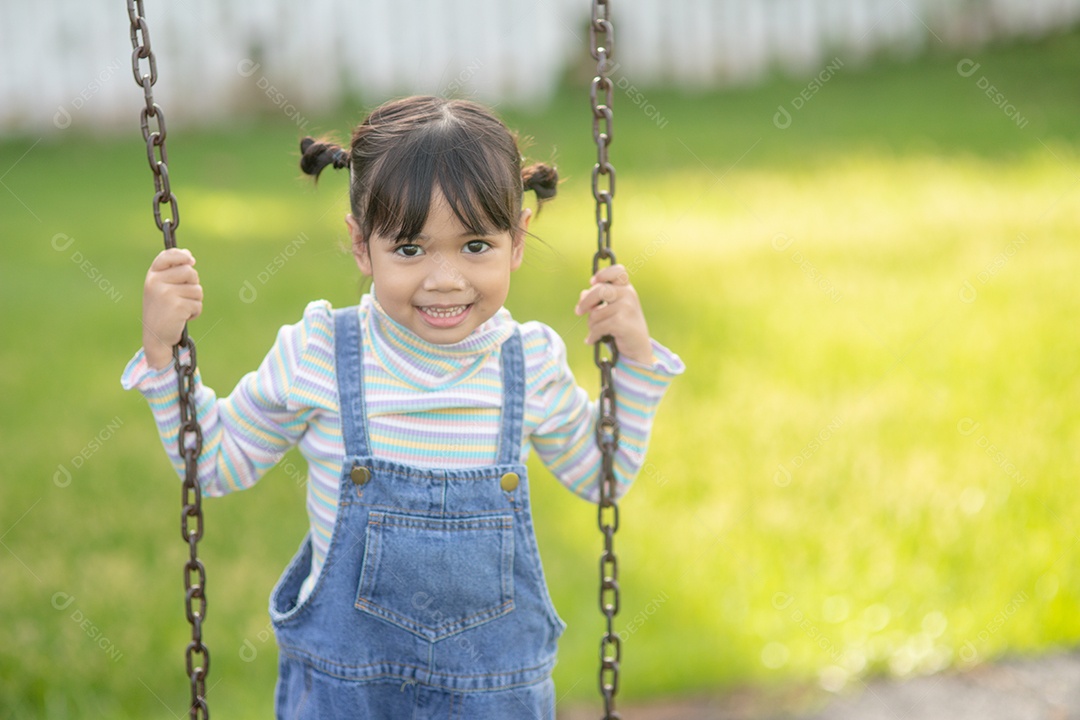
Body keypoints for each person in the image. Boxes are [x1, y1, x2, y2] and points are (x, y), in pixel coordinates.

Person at [123, 95, 684, 719]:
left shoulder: (529, 362)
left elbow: (602, 475)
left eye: (476, 245)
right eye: (411, 249)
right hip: (346, 696)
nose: (445, 279)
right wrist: (163, 355)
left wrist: (634, 358)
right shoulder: (320, 353)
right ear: (362, 245)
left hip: (494, 697)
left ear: (518, 239)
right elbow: (213, 464)